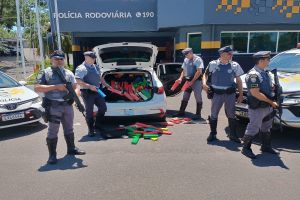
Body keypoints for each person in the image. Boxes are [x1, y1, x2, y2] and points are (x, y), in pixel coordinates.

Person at [34, 50, 85, 165]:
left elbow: (76, 87)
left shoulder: (68, 73)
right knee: (53, 131)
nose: (59, 61)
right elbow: (37, 88)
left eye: (61, 59)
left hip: (67, 106)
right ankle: (52, 155)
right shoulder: (45, 72)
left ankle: (71, 149)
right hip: (53, 106)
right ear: (51, 59)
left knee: (69, 128)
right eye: (56, 59)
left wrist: (75, 95)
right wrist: (55, 87)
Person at [241, 51, 278, 159]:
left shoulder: (265, 72)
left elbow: (269, 88)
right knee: (254, 128)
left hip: (267, 106)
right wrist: (271, 102)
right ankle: (246, 148)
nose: (269, 61)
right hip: (258, 106)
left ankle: (265, 146)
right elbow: (255, 93)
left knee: (266, 127)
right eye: (267, 59)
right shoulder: (253, 75)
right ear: (261, 61)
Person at [203, 46, 244, 143]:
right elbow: (205, 75)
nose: (230, 56)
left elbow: (239, 80)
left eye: (231, 54)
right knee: (214, 114)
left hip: (230, 94)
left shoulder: (235, 65)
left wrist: (241, 94)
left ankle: (233, 134)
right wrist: (204, 84)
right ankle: (213, 134)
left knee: (231, 114)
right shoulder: (213, 64)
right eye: (228, 54)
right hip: (217, 94)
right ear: (222, 54)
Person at [75, 51, 110, 137]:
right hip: (87, 92)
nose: (94, 59)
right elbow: (78, 81)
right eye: (92, 58)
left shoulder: (96, 67)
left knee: (103, 108)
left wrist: (106, 84)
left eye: (94, 58)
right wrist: (89, 86)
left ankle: (97, 124)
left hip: (98, 90)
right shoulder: (81, 68)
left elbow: (100, 77)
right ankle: (91, 130)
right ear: (86, 58)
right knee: (89, 112)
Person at [173, 48, 204, 120]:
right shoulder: (186, 59)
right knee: (185, 96)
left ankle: (198, 114)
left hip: (197, 81)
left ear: (191, 52)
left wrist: (192, 81)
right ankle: (181, 112)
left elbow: (199, 71)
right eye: (185, 55)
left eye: (187, 54)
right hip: (188, 80)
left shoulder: (197, 59)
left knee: (198, 96)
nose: (186, 56)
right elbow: (183, 70)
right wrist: (180, 78)